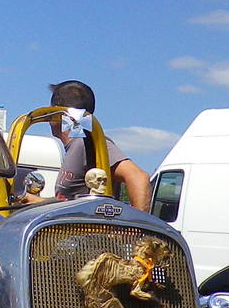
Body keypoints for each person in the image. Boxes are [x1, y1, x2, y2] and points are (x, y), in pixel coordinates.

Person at [47, 79, 151, 212]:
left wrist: (137, 228)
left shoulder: (89, 143)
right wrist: (35, 202)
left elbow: (139, 177)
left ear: (57, 112)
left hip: (90, 232)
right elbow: (69, 203)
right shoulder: (77, 146)